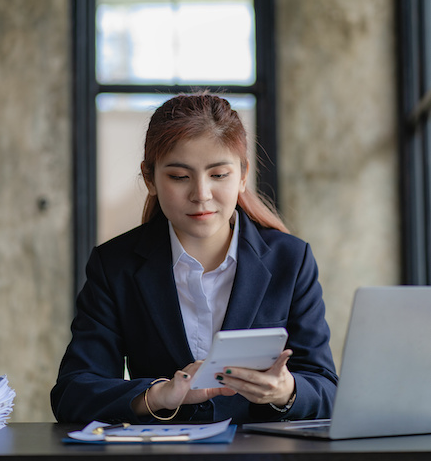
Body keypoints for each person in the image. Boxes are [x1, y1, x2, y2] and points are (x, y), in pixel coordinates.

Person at [51, 92, 338, 425]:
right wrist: (159, 395)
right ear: (150, 179)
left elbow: (327, 390)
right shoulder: (115, 265)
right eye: (179, 177)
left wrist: (286, 390)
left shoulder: (291, 259)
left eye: (218, 175)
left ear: (243, 176)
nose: (201, 194)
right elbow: (73, 393)